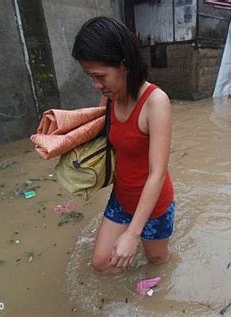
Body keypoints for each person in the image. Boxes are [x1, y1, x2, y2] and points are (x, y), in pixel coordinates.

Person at [72, 17, 174, 273]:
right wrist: (56, 136)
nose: (96, 85)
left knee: (157, 263)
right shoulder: (108, 98)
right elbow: (94, 139)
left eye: (100, 76)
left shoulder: (156, 102)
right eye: (90, 77)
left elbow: (157, 173)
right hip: (121, 197)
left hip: (154, 206)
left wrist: (132, 234)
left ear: (124, 65)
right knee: (101, 264)